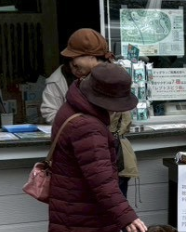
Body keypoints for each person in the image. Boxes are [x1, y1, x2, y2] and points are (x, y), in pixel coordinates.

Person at [48, 61, 148, 232]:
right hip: (87, 207)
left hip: (75, 206)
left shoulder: (73, 107)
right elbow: (102, 182)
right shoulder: (89, 127)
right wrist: (126, 216)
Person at [41, 29, 138, 196]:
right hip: (80, 158)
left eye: (75, 57)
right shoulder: (61, 78)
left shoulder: (114, 77)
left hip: (115, 157)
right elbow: (50, 112)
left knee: (112, 205)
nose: (72, 63)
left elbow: (125, 115)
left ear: (91, 56)